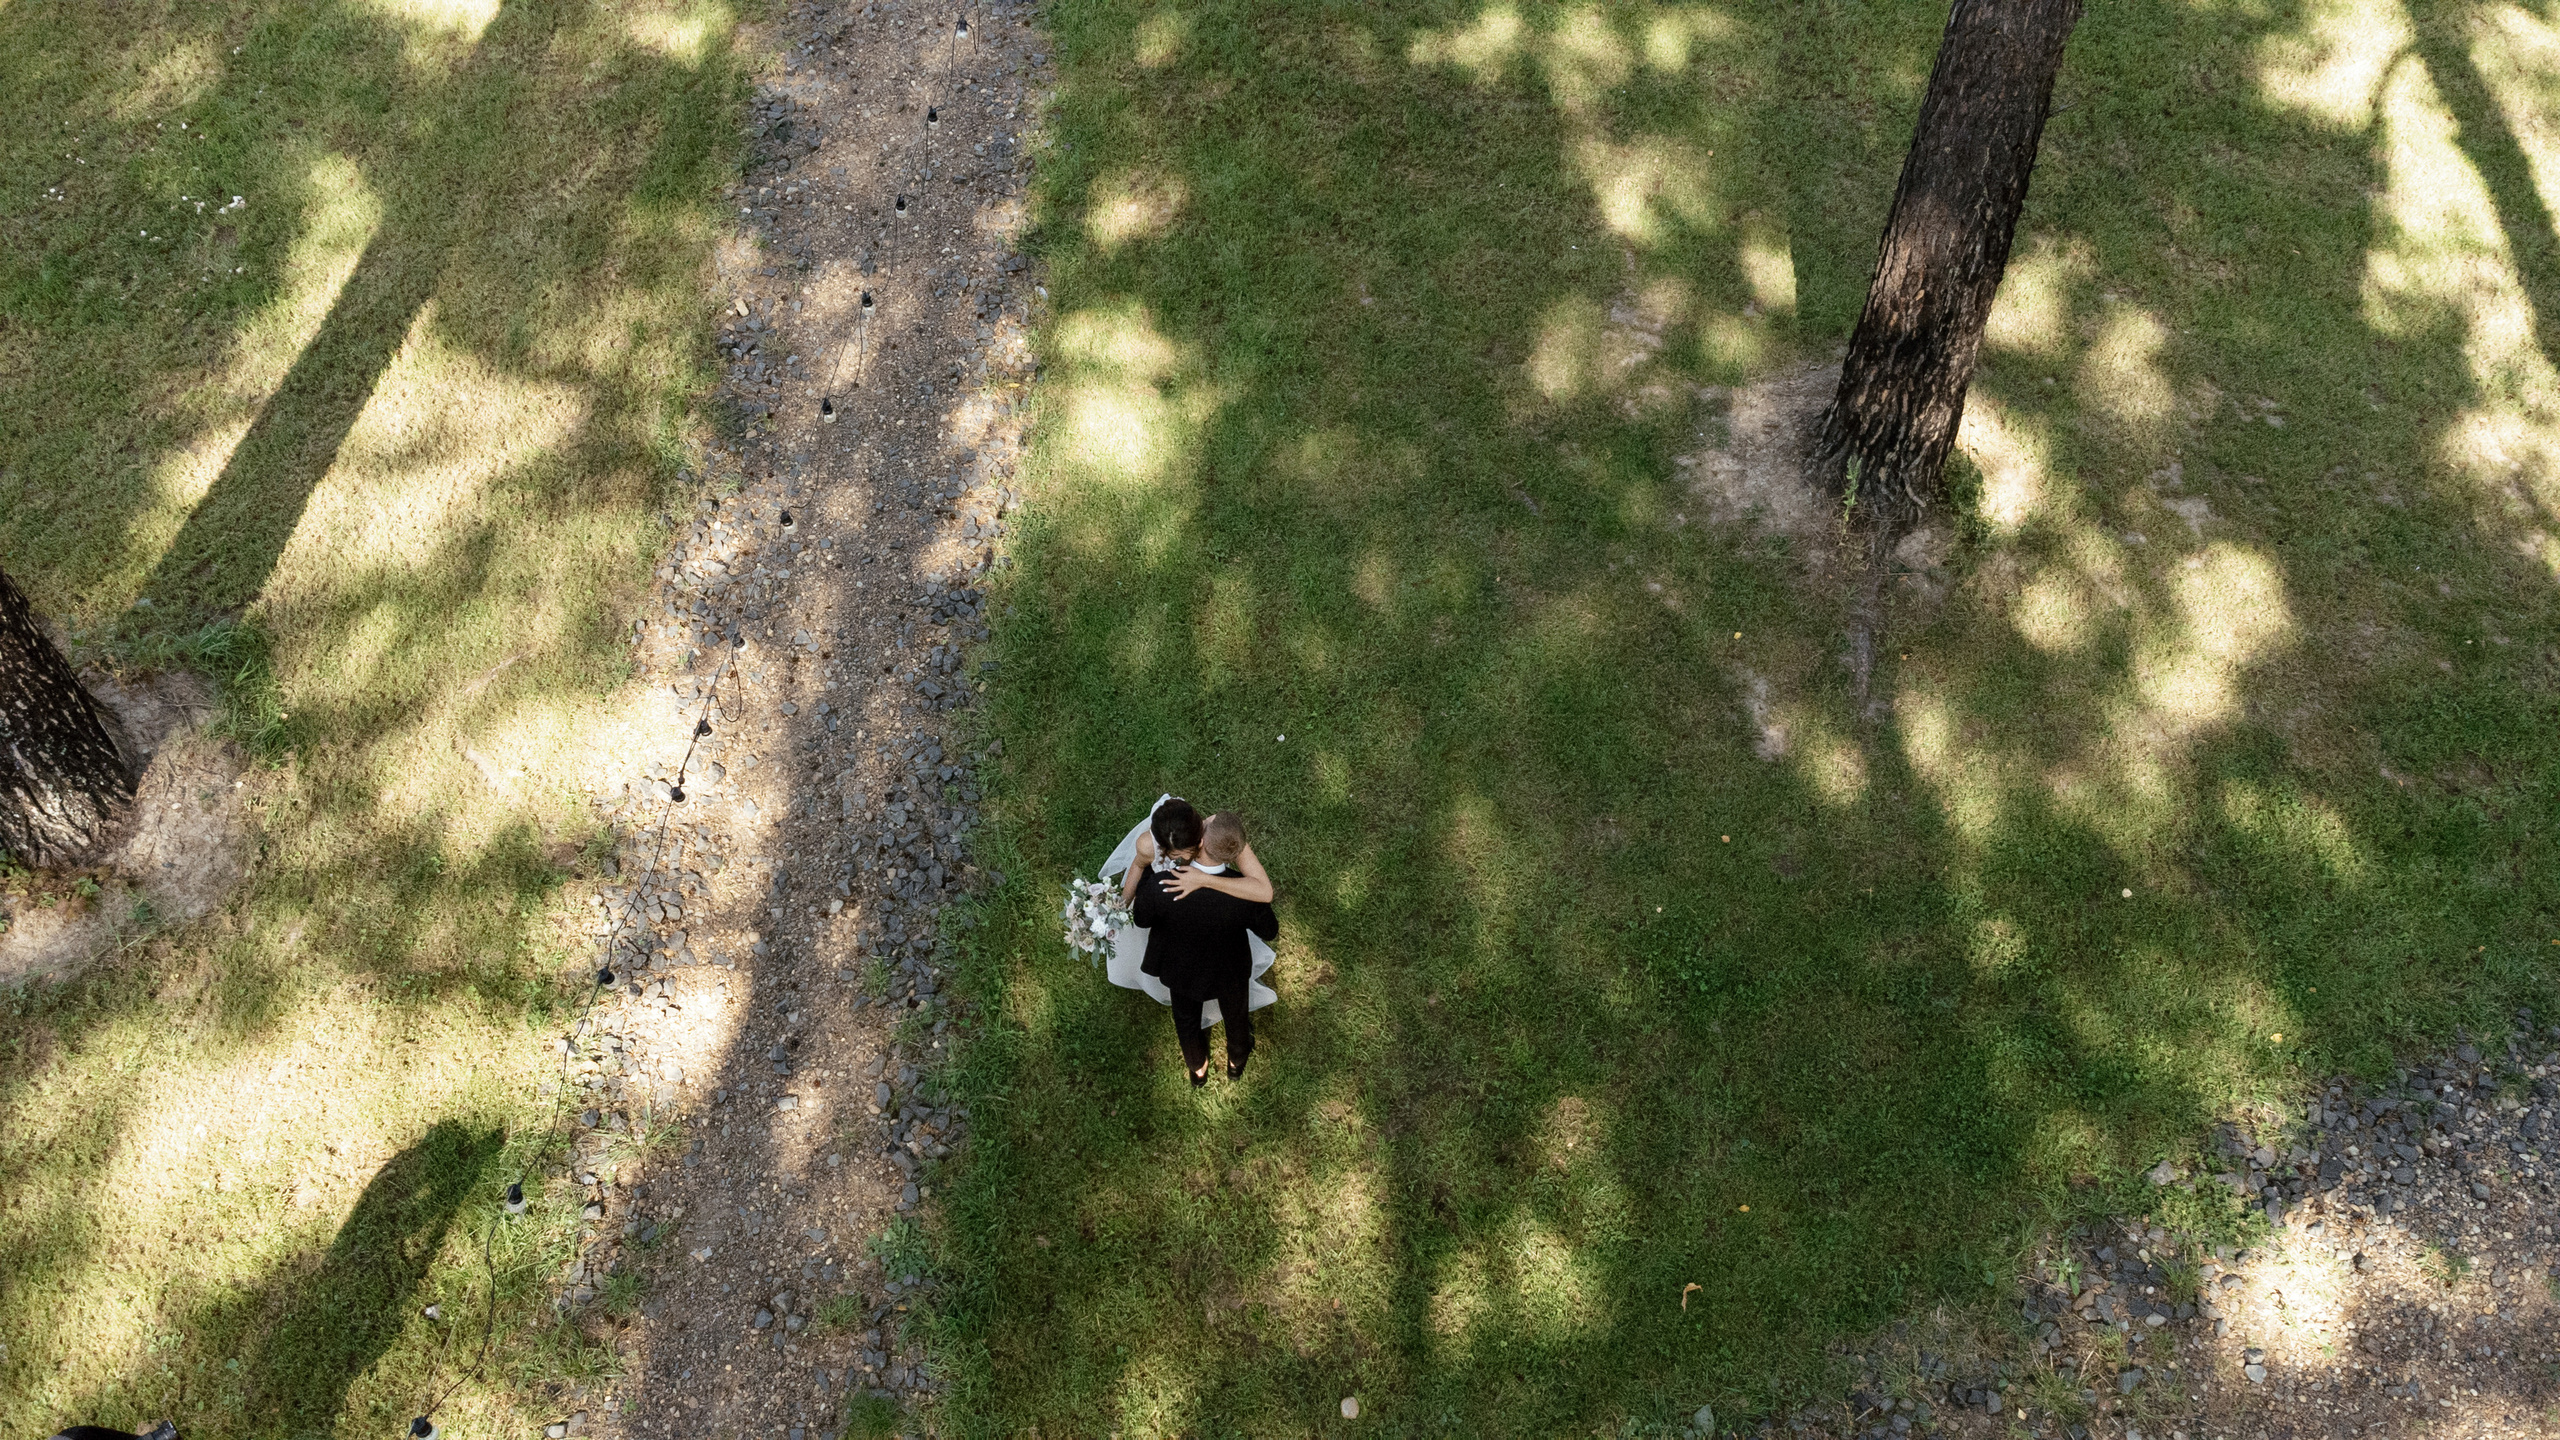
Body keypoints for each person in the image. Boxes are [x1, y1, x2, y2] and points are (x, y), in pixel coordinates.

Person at [1129, 812, 1277, 1086]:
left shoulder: (1161, 885)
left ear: (1199, 842)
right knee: (1236, 1015)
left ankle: (1197, 1068)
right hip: (1229, 971)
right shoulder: (1246, 892)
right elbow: (1270, 931)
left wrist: (1146, 868)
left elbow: (1141, 919)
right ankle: (1236, 1061)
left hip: (1181, 971)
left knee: (1185, 1018)